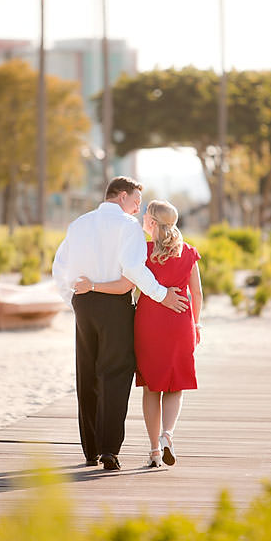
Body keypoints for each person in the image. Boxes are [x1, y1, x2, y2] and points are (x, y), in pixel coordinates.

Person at [52, 177, 189, 471]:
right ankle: (109, 451)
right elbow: (132, 269)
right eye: (137, 201)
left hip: (84, 302)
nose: (139, 208)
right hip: (115, 306)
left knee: (86, 372)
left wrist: (74, 301)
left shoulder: (78, 224)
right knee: (115, 374)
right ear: (123, 196)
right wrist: (162, 295)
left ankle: (89, 449)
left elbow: (59, 266)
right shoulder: (128, 227)